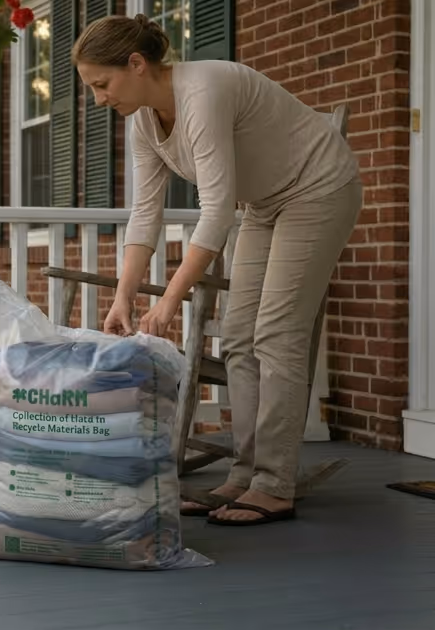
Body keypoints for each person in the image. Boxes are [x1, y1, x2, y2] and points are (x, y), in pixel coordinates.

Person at [71, 15, 361, 526]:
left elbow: (216, 212)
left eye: (102, 84)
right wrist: (124, 298)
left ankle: (275, 483)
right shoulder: (142, 120)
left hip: (317, 186)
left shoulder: (202, 91)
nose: (99, 99)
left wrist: (166, 305)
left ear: (136, 64)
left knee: (276, 332)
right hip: (265, 203)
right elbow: (145, 216)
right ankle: (247, 473)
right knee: (237, 337)